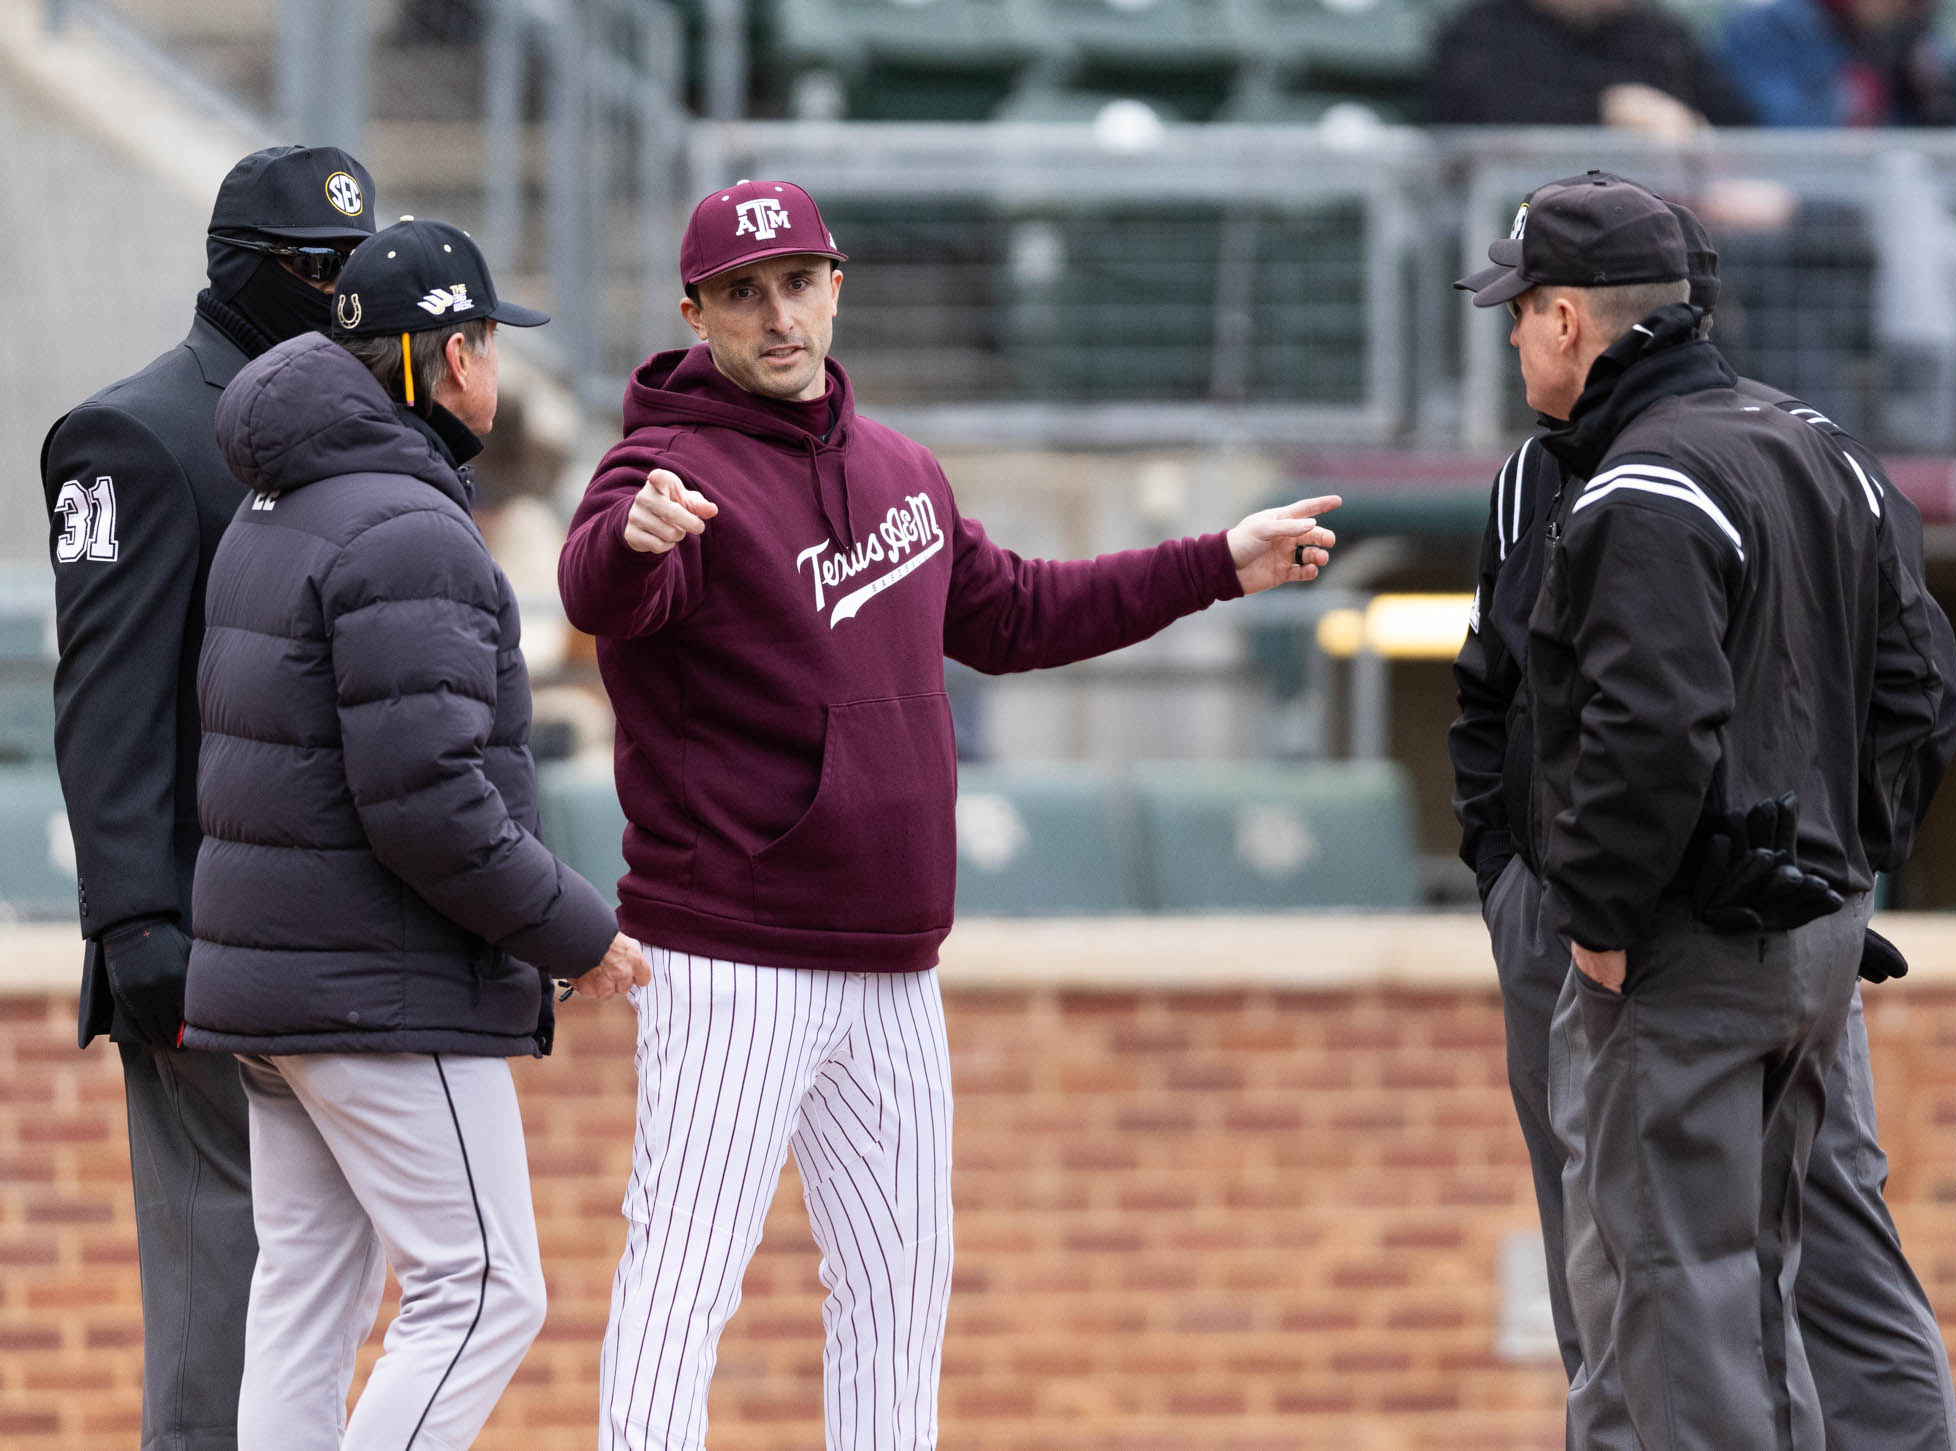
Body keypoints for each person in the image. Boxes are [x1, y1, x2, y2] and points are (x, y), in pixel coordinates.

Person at [557, 178, 1340, 1451]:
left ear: (836, 287)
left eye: (797, 283)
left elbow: (1017, 612)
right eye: (743, 294)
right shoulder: (663, 470)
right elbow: (600, 588)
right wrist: (634, 542)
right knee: (680, 1283)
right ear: (694, 311)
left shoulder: (901, 471)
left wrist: (1215, 564)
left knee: (897, 1297)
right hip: (727, 958)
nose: (776, 315)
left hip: (891, 960)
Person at [1451, 177, 1956, 1449]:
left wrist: (1593, 913)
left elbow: (1644, 727)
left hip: (1671, 942)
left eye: (1519, 311)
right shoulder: (1818, 442)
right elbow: (1922, 692)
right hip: (1801, 937)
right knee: (1786, 1272)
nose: (1510, 333)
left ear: (1567, 319)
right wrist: (1841, 871)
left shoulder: (1644, 479)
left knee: (1661, 1287)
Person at [183, 217, 649, 1451]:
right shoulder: (410, 527)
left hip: (280, 981)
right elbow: (431, 804)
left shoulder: (275, 505)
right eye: (487, 340)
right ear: (446, 357)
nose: (495, 366)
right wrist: (574, 929)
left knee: (306, 1296)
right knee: (486, 1287)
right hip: (376, 982)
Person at [38, 142, 376, 1451]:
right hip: (202, 940)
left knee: (317, 1321)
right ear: (244, 270)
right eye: (316, 270)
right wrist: (138, 925)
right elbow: (108, 699)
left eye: (358, 267)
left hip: (327, 946)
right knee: (226, 1318)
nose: (344, 295)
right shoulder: (138, 433)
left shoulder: (344, 426)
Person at [1425, 0, 1752, 135]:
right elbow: (1472, 117)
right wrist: (1606, 110)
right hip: (1524, 238)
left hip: (1660, 234)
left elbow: (1738, 122)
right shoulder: (1479, 33)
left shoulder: (1661, 33)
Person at [1715, 0, 1956, 127]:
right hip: (1791, 196)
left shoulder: (1911, 42)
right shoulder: (1767, 29)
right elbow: (1785, 135)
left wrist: (1929, 96)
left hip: (1876, 193)